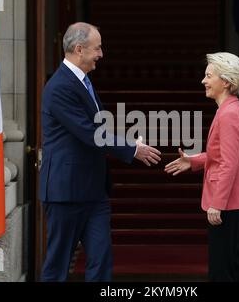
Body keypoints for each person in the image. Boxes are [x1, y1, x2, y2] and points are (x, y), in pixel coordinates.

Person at [39, 22, 161, 282]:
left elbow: (97, 129)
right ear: (79, 49)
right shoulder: (59, 86)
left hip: (94, 193)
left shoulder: (83, 81)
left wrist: (129, 143)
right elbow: (89, 132)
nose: (101, 54)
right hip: (66, 193)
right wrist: (132, 149)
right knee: (58, 266)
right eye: (97, 48)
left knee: (101, 262)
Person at [165, 52, 239, 281]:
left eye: (208, 76)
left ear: (225, 81)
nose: (203, 81)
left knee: (222, 272)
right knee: (235, 268)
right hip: (236, 203)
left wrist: (217, 203)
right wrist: (193, 161)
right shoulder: (230, 110)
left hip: (229, 205)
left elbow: (228, 163)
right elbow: (224, 156)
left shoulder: (229, 114)